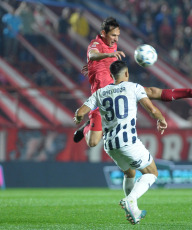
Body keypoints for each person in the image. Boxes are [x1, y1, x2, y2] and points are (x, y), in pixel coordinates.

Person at [74, 17, 192, 146]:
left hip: (117, 87)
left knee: (150, 92)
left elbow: (100, 62)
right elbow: (93, 54)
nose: (115, 39)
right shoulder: (96, 43)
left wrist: (93, 66)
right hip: (103, 96)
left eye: (117, 35)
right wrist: (103, 57)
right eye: (113, 35)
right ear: (103, 33)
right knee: (93, 142)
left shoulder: (112, 45)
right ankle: (86, 128)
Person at [74, 60, 168, 225]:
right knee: (152, 173)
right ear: (126, 74)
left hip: (110, 145)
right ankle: (130, 200)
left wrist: (79, 119)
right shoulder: (134, 87)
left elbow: (81, 112)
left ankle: (134, 211)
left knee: (130, 173)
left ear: (111, 76)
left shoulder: (100, 93)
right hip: (128, 142)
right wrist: (161, 119)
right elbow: (152, 110)